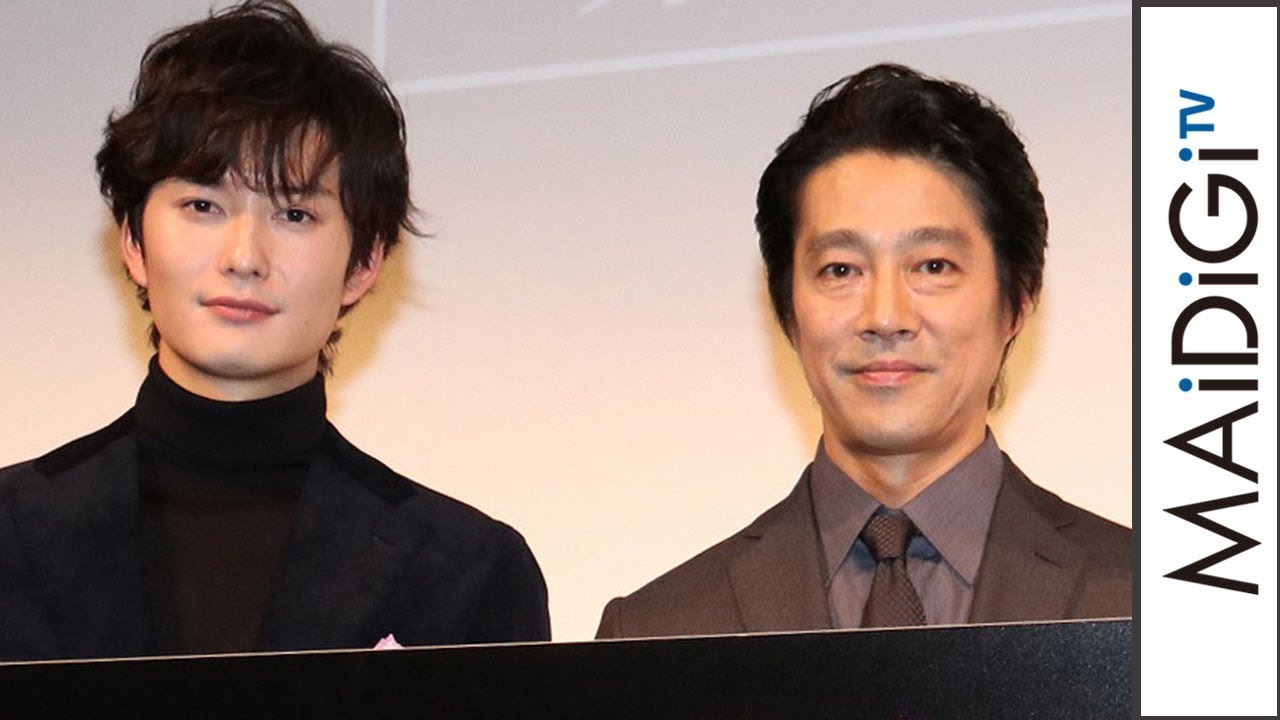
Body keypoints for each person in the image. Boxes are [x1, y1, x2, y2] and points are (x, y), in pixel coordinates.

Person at [0, 0, 549, 661]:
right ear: (134, 242)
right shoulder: (12, 531)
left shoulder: (470, 574)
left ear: (364, 264)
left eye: (294, 215)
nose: (244, 257)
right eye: (203, 205)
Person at [596, 63, 1131, 639]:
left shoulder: (1158, 601)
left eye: (933, 266)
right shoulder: (654, 631)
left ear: (1018, 301)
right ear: (787, 310)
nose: (885, 318)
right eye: (840, 270)